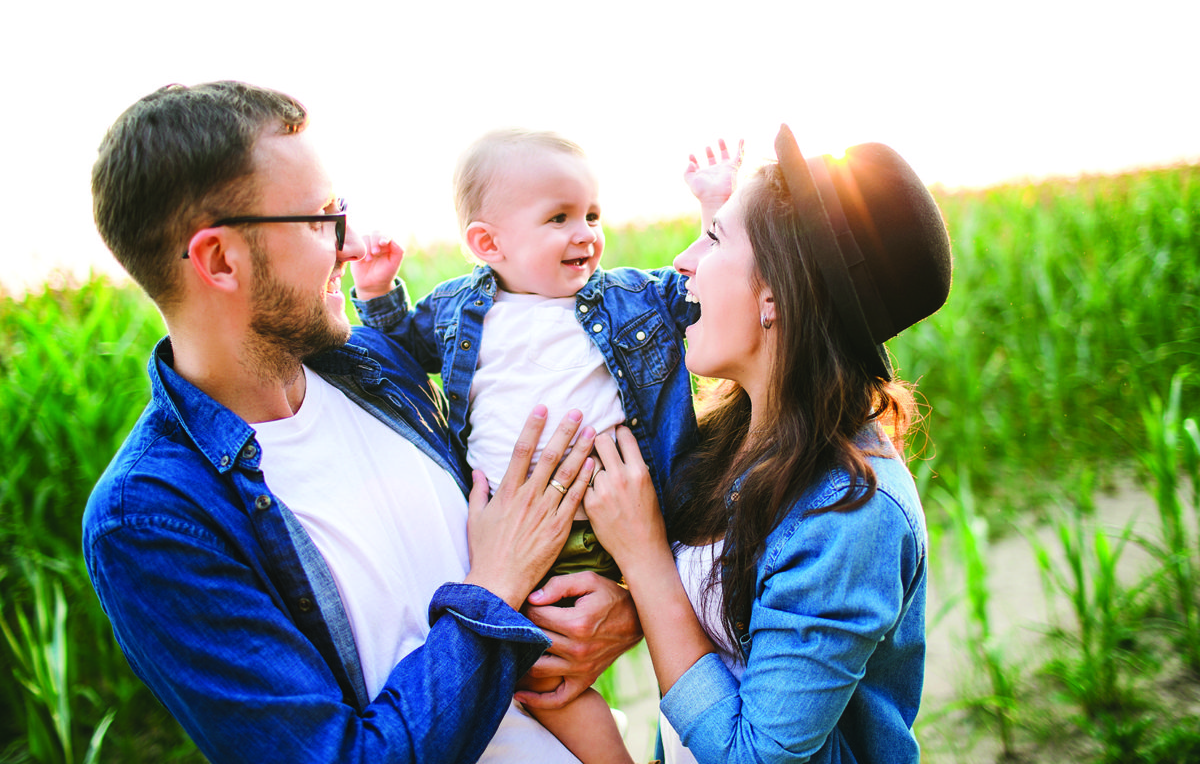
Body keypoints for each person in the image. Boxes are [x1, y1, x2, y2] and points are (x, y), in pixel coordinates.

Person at [82, 81, 641, 764]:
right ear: (219, 259)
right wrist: (492, 590)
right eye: (320, 220)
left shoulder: (375, 368)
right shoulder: (152, 520)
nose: (346, 246)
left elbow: (546, 558)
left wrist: (621, 606)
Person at [584, 126, 953, 763]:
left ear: (775, 296)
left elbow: (752, 755)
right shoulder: (740, 435)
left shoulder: (851, 516)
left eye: (712, 238)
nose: (681, 261)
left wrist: (644, 565)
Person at [349, 128, 716, 763]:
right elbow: (402, 354)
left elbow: (695, 292)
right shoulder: (464, 310)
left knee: (552, 674)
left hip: (601, 521)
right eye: (559, 218)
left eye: (591, 214)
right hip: (507, 532)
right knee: (537, 682)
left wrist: (715, 211)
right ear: (488, 243)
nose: (586, 233)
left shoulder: (621, 299)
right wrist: (379, 293)